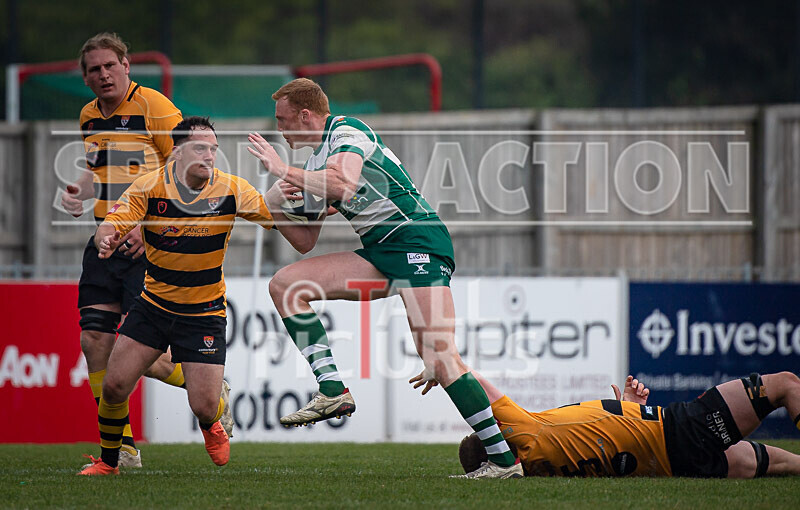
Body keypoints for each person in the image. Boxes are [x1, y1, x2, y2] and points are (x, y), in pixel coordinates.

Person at [247, 77, 521, 479]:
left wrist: (280, 168)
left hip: (417, 241)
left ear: (305, 115)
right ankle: (332, 391)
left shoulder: (347, 131)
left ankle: (504, 462)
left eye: (283, 120)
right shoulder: (312, 164)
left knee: (443, 359)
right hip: (381, 251)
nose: (280, 129)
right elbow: (305, 239)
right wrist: (268, 207)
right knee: (286, 285)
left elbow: (344, 182)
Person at [61, 33, 234, 469]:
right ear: (85, 77)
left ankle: (213, 389)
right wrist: (80, 191)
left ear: (126, 66)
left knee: (148, 356)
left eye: (109, 65)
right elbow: (96, 168)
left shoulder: (154, 107)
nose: (103, 74)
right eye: (94, 69)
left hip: (148, 245)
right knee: (94, 340)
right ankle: (123, 449)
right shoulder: (87, 117)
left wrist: (143, 223)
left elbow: (186, 165)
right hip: (105, 241)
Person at [79, 116, 274, 475]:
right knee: (114, 385)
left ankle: (210, 421)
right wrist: (104, 237)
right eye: (201, 148)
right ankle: (110, 463)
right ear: (177, 153)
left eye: (213, 149)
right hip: (152, 307)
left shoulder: (232, 189)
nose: (210, 155)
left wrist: (310, 204)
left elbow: (274, 215)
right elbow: (113, 221)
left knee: (202, 405)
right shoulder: (149, 187)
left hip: (204, 313)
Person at [412, 370, 800, 478]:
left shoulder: (535, 469)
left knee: (772, 465)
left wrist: (628, 408)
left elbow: (605, 441)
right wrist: (440, 369)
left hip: (677, 464)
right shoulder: (523, 430)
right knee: (785, 384)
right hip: (681, 428)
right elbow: (474, 381)